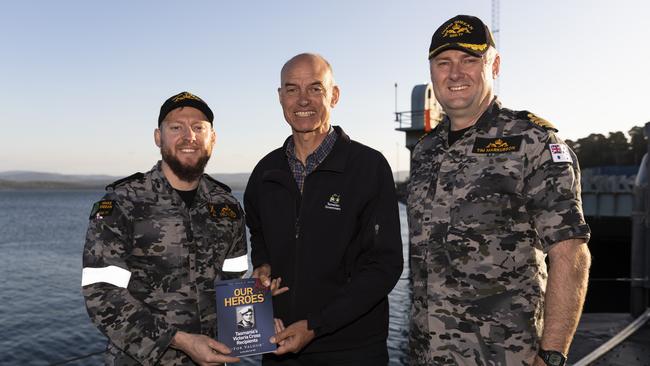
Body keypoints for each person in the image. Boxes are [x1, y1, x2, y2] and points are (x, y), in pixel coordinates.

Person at [407, 15, 592, 366]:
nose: (455, 73)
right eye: (443, 63)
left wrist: (551, 355)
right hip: (425, 354)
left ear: (495, 65)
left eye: (470, 60)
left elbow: (570, 255)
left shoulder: (533, 142)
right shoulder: (425, 152)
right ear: (432, 71)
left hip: (504, 356)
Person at [244, 53, 403, 366]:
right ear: (280, 97)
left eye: (315, 89)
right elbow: (258, 228)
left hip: (352, 351)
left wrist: (317, 324)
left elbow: (384, 265)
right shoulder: (265, 172)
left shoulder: (369, 168)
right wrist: (262, 264)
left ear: (334, 95)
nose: (303, 100)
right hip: (278, 347)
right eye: (292, 89)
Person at [81, 91, 248, 365]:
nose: (188, 136)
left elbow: (234, 284)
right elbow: (102, 294)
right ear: (158, 137)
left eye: (198, 128)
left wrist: (260, 310)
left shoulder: (227, 207)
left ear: (213, 139)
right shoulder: (123, 202)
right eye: (176, 128)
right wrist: (180, 340)